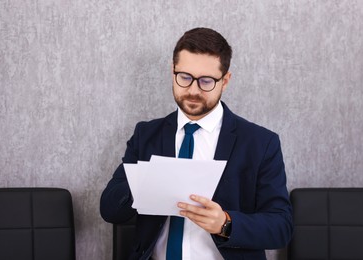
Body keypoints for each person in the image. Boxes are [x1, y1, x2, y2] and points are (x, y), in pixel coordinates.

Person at [100, 27, 293, 260]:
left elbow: (281, 227)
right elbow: (110, 210)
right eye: (185, 77)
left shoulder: (261, 143)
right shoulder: (146, 134)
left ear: (225, 81)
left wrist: (225, 224)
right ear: (173, 72)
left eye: (206, 81)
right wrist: (144, 180)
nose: (193, 90)